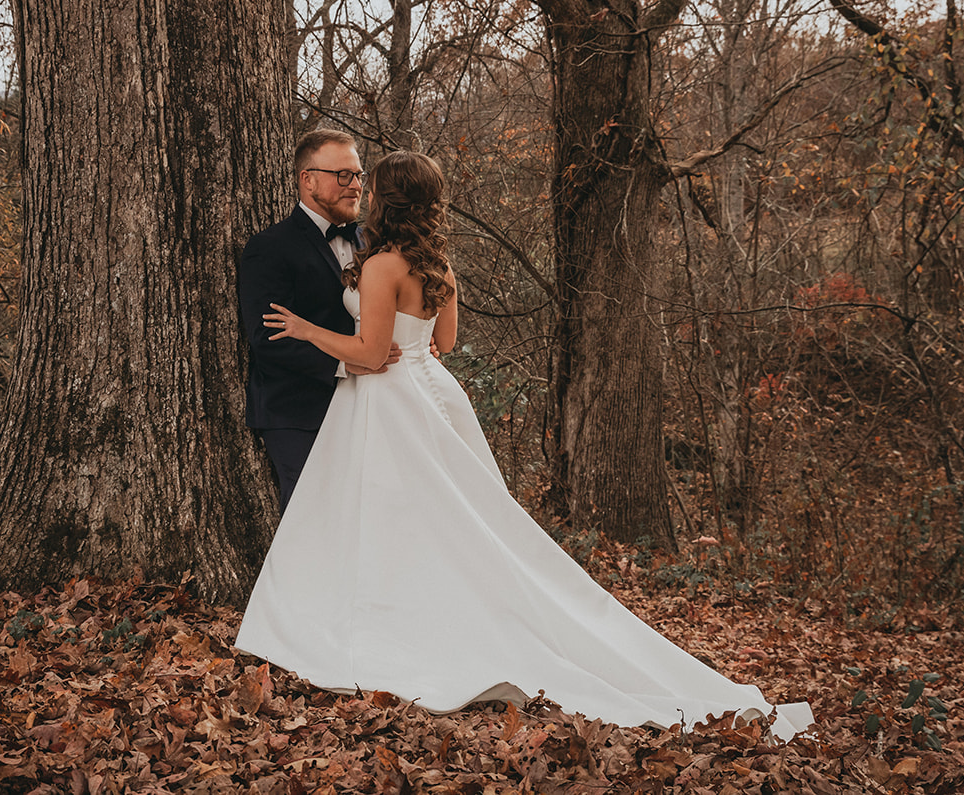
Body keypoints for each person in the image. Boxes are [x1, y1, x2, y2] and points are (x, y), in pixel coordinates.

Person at [234, 151, 814, 740]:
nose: (363, 191)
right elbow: (446, 341)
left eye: (371, 184)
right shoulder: (438, 264)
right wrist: (410, 340)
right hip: (432, 390)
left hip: (389, 399)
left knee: (397, 517)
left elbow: (369, 354)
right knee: (449, 520)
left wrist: (306, 329)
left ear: (388, 200)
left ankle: (386, 625)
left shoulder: (383, 264)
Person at [238, 129, 401, 510]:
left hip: (371, 404)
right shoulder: (269, 248)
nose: (355, 185)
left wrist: (416, 342)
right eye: (342, 175)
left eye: (358, 175)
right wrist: (346, 363)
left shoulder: (371, 243)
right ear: (307, 180)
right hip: (299, 413)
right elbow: (267, 338)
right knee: (313, 519)